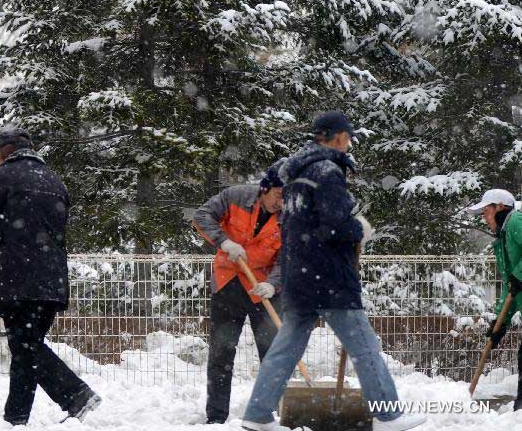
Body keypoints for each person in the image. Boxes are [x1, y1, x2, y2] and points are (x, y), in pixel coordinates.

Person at [241, 111, 425, 431]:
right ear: (339, 136)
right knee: (365, 346)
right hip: (328, 277)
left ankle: (257, 414)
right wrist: (359, 229)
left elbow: (303, 225)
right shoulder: (327, 171)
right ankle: (388, 414)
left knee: (286, 348)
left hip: (299, 274)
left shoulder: (297, 175)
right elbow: (335, 224)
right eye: (348, 137)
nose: (349, 142)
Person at [0, 127, 101, 425]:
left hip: (16, 280)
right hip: (51, 281)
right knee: (27, 349)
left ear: (4, 152)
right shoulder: (55, 181)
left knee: (25, 348)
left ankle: (75, 394)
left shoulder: (0, 179)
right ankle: (17, 417)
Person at [192, 164, 285, 424]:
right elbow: (202, 216)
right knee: (222, 353)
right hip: (228, 283)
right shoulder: (236, 197)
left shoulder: (291, 217)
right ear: (265, 188)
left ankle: (270, 414)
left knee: (273, 354)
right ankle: (216, 417)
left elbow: (288, 258)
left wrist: (273, 284)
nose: (283, 201)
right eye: (279, 194)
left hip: (263, 290)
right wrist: (224, 241)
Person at [466, 188, 522, 409]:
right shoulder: (504, 237)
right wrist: (499, 324)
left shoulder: (516, 221)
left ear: (500, 207)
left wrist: (519, 275)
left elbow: (517, 279)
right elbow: (512, 289)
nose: (483, 216)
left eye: (485, 210)